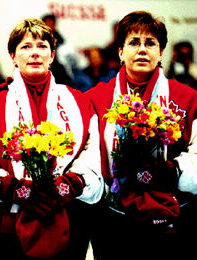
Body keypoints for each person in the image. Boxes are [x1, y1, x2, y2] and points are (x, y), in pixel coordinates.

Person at [0, 18, 104, 260]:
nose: (34, 53)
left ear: (53, 55)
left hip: (69, 218)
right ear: (13, 56)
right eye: (25, 47)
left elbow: (92, 153)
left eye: (42, 46)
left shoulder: (79, 101)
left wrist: (68, 184)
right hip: (11, 223)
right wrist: (16, 189)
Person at [86, 11, 197, 260]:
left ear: (161, 52)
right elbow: (87, 154)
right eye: (134, 42)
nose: (142, 50)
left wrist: (173, 170)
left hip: (173, 216)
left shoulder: (188, 99)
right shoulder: (95, 99)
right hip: (114, 218)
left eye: (150, 43)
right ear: (120, 52)